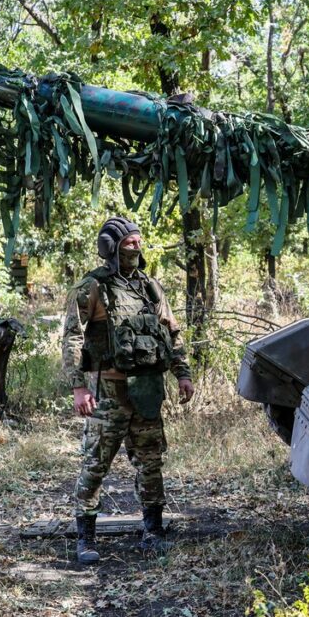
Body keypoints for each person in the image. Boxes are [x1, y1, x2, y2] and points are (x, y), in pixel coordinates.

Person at [61, 217, 195, 564]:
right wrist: (78, 386)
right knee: (96, 463)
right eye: (130, 242)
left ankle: (153, 531)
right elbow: (73, 336)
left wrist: (183, 374)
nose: (137, 246)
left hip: (148, 389)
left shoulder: (150, 288)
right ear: (111, 246)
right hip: (109, 391)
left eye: (139, 241)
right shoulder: (93, 287)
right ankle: (85, 538)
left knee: (151, 462)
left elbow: (171, 333)